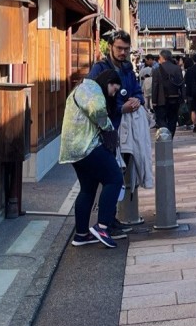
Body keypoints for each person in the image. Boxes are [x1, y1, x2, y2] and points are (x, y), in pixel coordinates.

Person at [59, 69, 126, 248]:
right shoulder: (93, 90)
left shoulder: (81, 88)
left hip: (72, 149)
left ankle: (81, 234)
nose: (114, 93)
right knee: (114, 179)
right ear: (108, 82)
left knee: (87, 188)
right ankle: (102, 226)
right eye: (114, 89)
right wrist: (108, 128)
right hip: (87, 146)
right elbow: (97, 109)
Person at [88, 30, 144, 129]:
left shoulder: (128, 70)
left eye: (126, 49)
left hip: (128, 126)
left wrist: (137, 100)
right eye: (119, 48)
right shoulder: (100, 68)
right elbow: (90, 99)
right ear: (110, 46)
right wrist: (120, 108)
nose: (123, 52)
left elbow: (138, 91)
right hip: (106, 127)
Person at [151, 49, 185, 136]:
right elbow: (181, 84)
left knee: (161, 119)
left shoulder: (157, 70)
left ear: (162, 58)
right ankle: (170, 135)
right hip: (175, 98)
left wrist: (154, 101)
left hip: (161, 100)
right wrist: (182, 98)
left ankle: (166, 136)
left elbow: (155, 86)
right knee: (173, 119)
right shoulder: (177, 68)